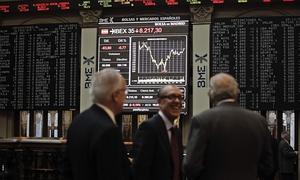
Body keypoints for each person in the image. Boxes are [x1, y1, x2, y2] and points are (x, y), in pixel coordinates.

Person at [183, 73, 274, 180]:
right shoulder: (259, 121)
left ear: (212, 93)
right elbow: (268, 166)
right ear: (236, 92)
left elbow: (191, 165)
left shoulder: (202, 120)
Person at [63, 68, 132, 180]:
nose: (126, 96)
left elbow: (67, 169)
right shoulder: (109, 131)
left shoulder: (78, 121)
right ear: (115, 95)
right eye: (125, 91)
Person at [132, 85, 183, 180]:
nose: (177, 101)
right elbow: (139, 170)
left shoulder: (177, 132)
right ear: (159, 101)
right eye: (171, 97)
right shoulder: (148, 128)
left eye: (180, 97)